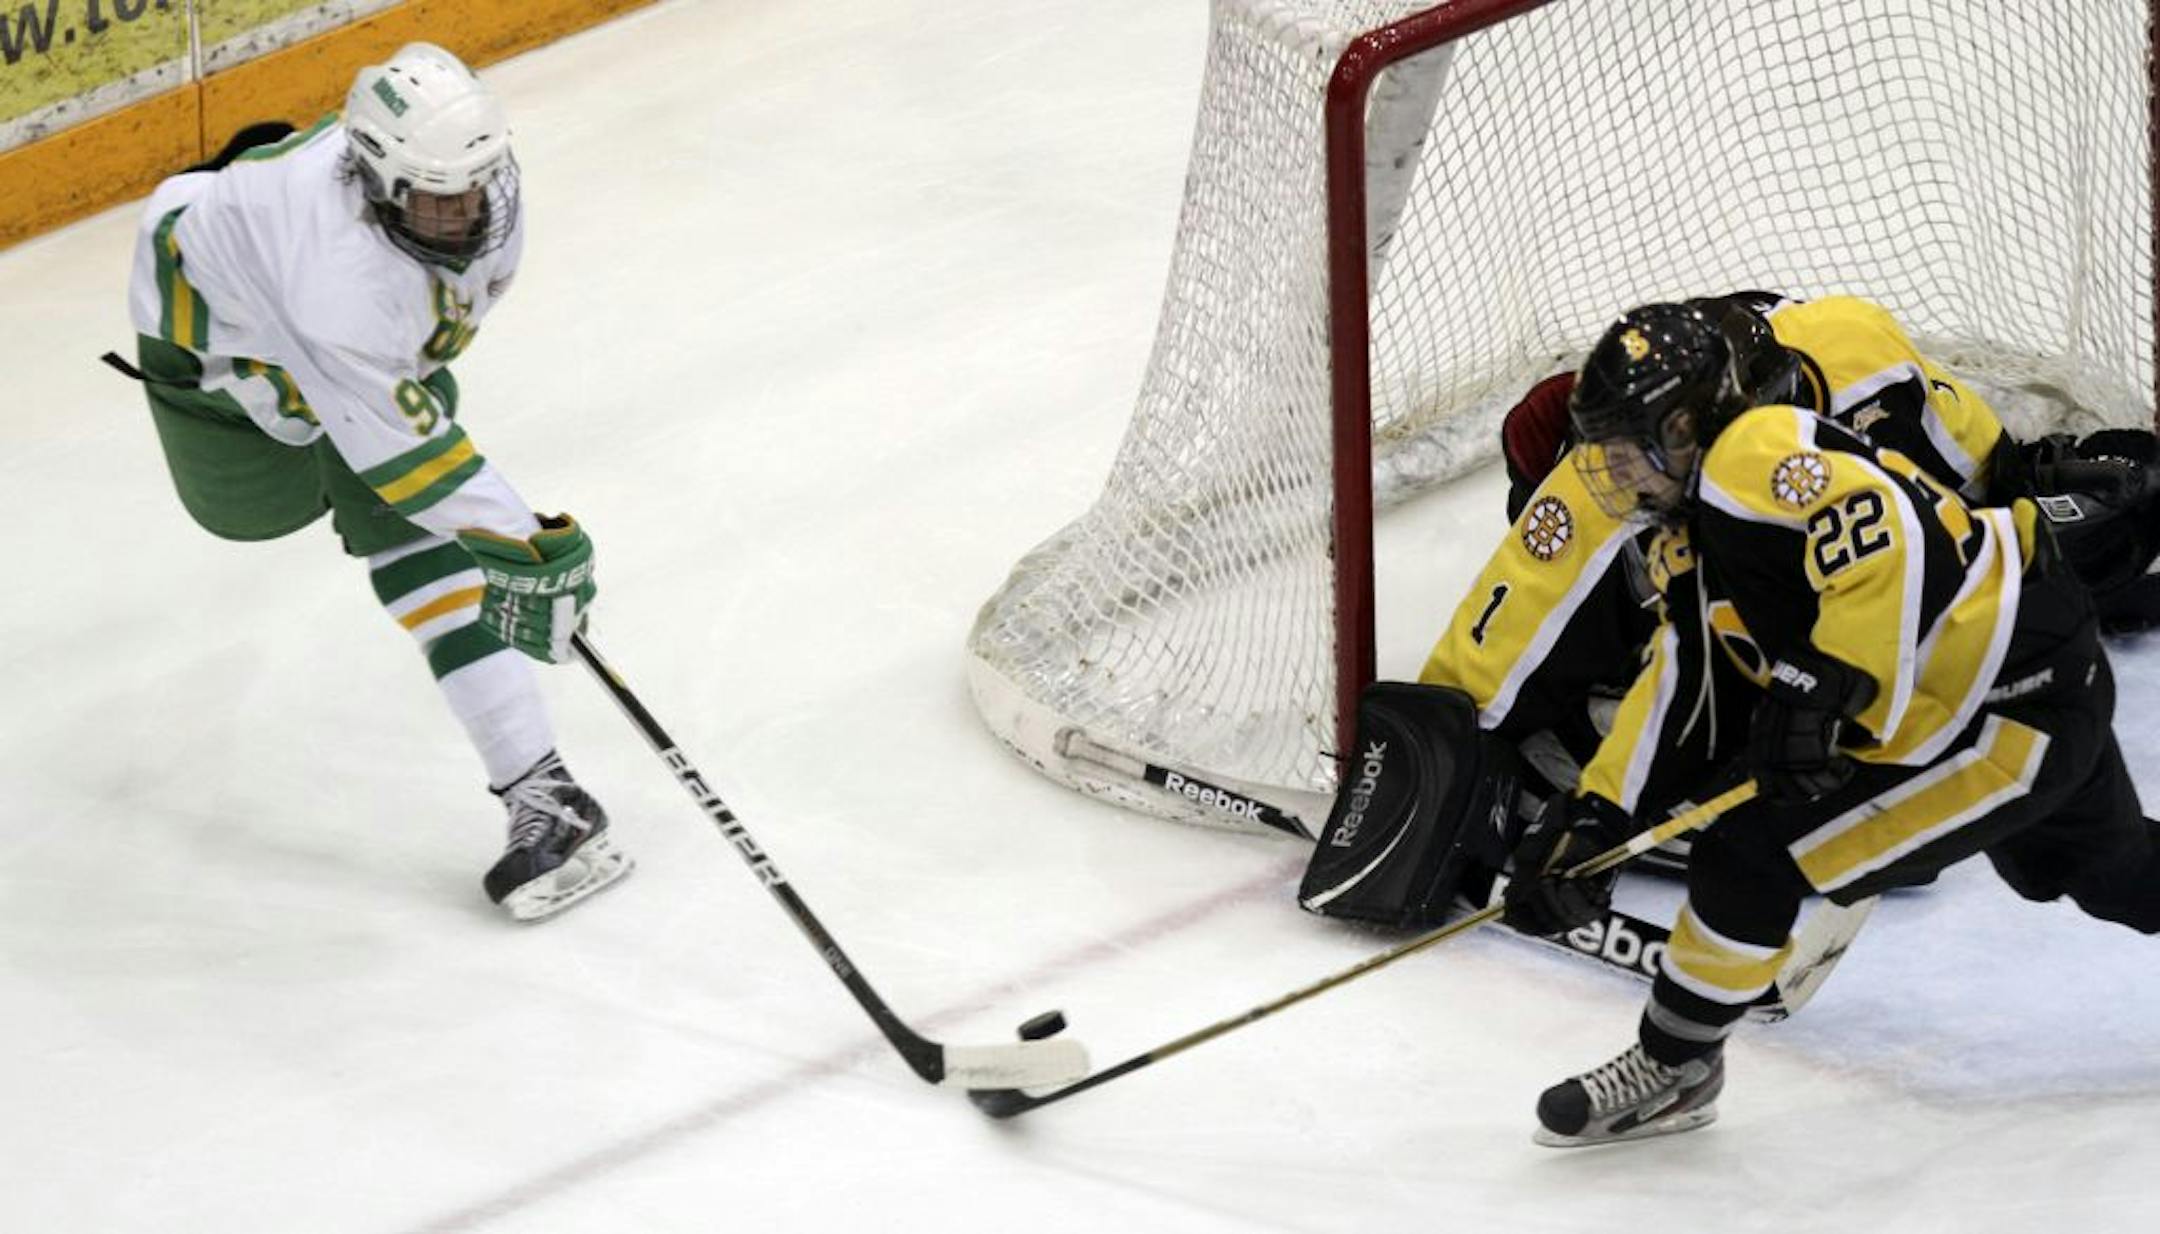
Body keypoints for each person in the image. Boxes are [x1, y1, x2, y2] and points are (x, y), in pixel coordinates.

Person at [1500, 302, 2160, 1148]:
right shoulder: (1689, 533)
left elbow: (1888, 541)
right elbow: (1682, 676)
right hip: (2028, 671)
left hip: (2005, 712)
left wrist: (1817, 689)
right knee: (2115, 873)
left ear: (1689, 422)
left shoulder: (1754, 450)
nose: (1620, 477)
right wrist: (1597, 813)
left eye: (1631, 452)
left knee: (1752, 858)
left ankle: (1673, 1066)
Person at [117, 43, 629, 921]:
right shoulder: (333, 281)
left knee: (415, 535)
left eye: (477, 184)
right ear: (377, 182)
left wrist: (481, 524)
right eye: (437, 198)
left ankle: (541, 794)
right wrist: (522, 536)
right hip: (214, 342)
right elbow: (401, 445)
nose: (466, 211)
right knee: (252, 513)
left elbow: (403, 420)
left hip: (336, 323)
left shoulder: (467, 189)